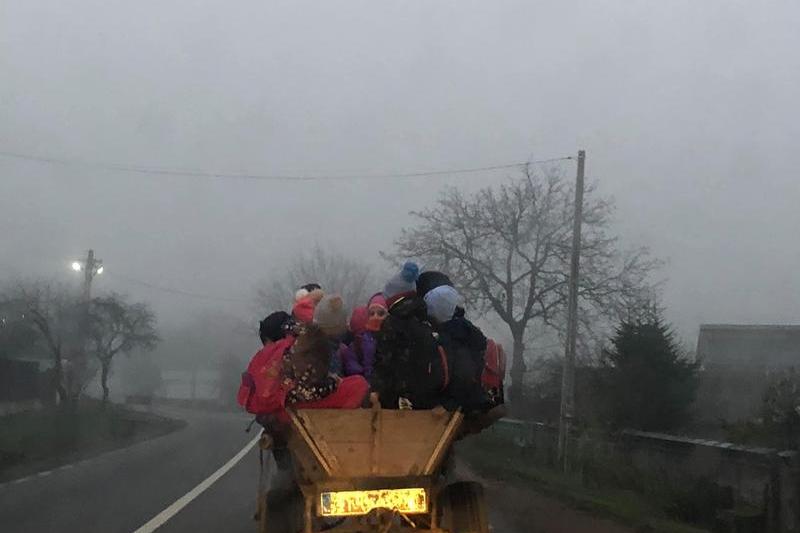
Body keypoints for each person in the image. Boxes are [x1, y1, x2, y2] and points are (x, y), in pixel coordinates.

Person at [372, 262, 448, 409]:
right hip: (426, 397)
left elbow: (383, 362)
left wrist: (376, 390)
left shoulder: (392, 324)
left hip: (395, 397)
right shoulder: (427, 320)